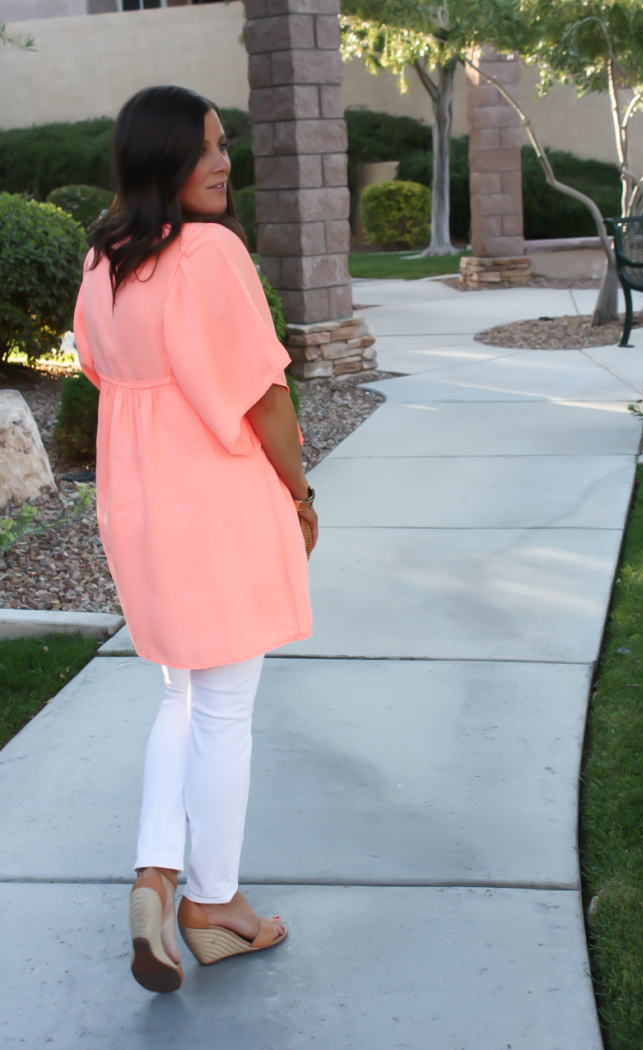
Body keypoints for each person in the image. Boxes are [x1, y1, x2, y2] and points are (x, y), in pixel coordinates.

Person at [73, 85, 316, 993]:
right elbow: (264, 393)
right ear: (160, 159)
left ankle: (154, 873)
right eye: (206, 148)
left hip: (137, 502)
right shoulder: (209, 251)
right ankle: (214, 905)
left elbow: (100, 369)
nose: (223, 162)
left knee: (183, 694)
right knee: (224, 709)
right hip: (210, 495)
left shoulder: (104, 256)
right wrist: (300, 492)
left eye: (225, 146)